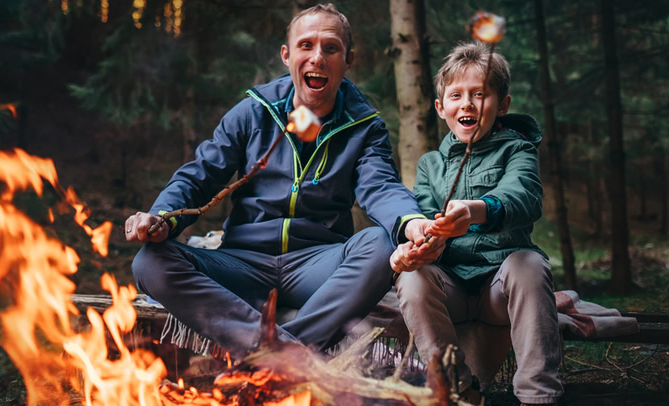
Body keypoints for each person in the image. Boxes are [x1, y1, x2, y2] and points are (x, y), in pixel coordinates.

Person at [125, 3, 437, 358]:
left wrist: (411, 222)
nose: (317, 57)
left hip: (318, 266)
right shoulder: (252, 112)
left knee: (381, 244)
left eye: (330, 48)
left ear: (348, 59)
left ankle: (274, 356)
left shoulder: (365, 127)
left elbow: (380, 186)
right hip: (243, 263)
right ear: (286, 55)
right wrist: (162, 218)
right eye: (306, 45)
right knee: (149, 262)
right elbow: (200, 175)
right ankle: (288, 354)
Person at [390, 41, 563, 406]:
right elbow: (421, 213)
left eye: (479, 94)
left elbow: (524, 198)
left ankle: (538, 394)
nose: (466, 103)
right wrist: (424, 239)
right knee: (411, 277)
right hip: (451, 290)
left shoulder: (517, 150)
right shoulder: (430, 165)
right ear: (441, 108)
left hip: (498, 289)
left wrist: (476, 210)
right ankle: (458, 389)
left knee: (530, 264)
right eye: (456, 95)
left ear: (502, 105)